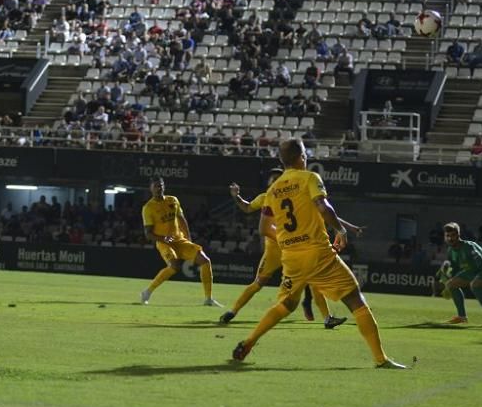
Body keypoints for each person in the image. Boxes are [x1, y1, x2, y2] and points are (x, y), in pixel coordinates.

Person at [230, 140, 407, 369]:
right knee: (355, 299)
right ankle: (381, 359)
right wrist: (341, 230)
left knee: (286, 305)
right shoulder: (310, 178)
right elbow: (323, 207)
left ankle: (249, 341)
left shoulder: (273, 190)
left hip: (291, 256)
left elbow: (264, 227)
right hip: (317, 252)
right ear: (301, 156)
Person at [220, 170, 354, 329]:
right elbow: (248, 208)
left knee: (313, 281)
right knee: (259, 282)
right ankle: (233, 311)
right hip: (277, 250)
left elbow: (319, 211)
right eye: (273, 180)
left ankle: (327, 318)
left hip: (293, 248)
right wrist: (236, 196)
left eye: (277, 179)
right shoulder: (267, 197)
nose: (276, 183)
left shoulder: (293, 197)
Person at [140, 177, 221, 306]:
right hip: (164, 242)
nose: (158, 188)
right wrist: (164, 239)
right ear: (150, 188)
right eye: (155, 186)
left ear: (164, 187)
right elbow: (148, 234)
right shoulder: (148, 208)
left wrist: (188, 238)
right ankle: (147, 292)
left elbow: (181, 219)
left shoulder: (173, 200)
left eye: (160, 185)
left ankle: (208, 299)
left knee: (205, 261)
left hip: (179, 239)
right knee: (174, 266)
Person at [439, 223, 482, 327]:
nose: (450, 238)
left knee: (475, 285)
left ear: (458, 235)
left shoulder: (469, 247)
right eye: (447, 236)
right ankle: (462, 317)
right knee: (451, 284)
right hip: (473, 270)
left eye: (452, 235)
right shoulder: (451, 250)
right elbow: (453, 270)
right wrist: (445, 280)